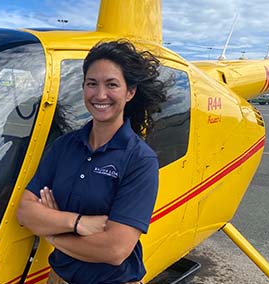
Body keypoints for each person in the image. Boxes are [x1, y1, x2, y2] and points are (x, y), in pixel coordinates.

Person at [16, 40, 167, 284]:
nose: (100, 95)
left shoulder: (140, 160)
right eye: (92, 84)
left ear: (130, 92)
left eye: (112, 84)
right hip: (58, 278)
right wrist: (78, 223)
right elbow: (25, 211)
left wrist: (52, 233)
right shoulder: (64, 146)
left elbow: (115, 250)